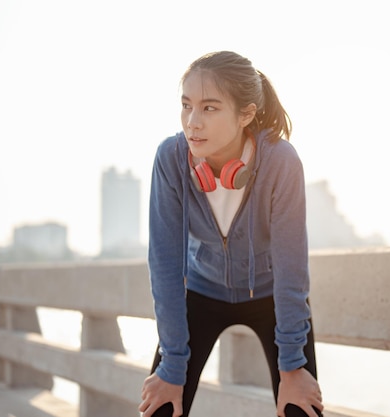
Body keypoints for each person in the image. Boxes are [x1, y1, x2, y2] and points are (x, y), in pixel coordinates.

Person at [138, 51, 324, 417]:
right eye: (187, 105)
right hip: (201, 293)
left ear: (246, 115)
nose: (193, 122)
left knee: (300, 407)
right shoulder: (171, 160)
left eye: (210, 108)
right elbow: (165, 265)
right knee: (160, 408)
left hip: (272, 297)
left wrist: (292, 366)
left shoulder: (280, 162)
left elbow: (291, 268)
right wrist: (172, 366)